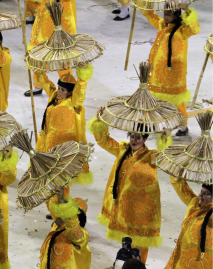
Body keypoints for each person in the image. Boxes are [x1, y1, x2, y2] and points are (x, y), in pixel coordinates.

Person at [89, 114, 168, 264]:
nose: (134, 140)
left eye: (138, 138)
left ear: (145, 140)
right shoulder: (122, 149)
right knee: (126, 245)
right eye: (132, 136)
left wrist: (164, 138)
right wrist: (100, 121)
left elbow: (165, 158)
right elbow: (103, 140)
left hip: (141, 214)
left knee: (139, 249)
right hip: (124, 209)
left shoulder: (150, 157)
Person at [142, 8, 199, 136]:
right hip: (157, 71)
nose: (165, 16)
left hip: (175, 73)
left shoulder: (183, 30)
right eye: (165, 13)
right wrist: (144, 5)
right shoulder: (162, 24)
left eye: (169, 14)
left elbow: (195, 28)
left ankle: (183, 127)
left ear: (176, 15)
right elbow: (150, 15)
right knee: (154, 98)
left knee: (177, 100)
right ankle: (152, 122)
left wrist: (187, 9)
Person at [34, 63, 93, 185]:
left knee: (62, 174)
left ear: (71, 92)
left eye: (63, 90)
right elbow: (45, 82)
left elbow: (80, 91)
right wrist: (37, 67)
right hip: (49, 141)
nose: (59, 91)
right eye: (59, 88)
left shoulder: (74, 103)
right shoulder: (54, 96)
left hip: (65, 144)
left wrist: (82, 76)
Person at [26, 0, 80, 96]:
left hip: (60, 32)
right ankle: (37, 85)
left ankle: (68, 89)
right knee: (38, 57)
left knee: (62, 62)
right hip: (42, 29)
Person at [164, 178, 212, 268]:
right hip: (184, 259)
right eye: (201, 191)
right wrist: (182, 166)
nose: (200, 195)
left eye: (207, 194)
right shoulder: (194, 203)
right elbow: (179, 184)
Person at [39, 190, 91, 269]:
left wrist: (63, 203)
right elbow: (52, 208)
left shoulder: (82, 234)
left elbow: (75, 235)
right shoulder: (57, 226)